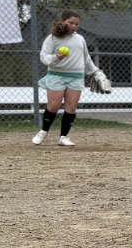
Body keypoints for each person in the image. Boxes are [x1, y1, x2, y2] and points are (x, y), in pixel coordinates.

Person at [33, 10, 94, 147]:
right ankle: (43, 131)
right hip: (56, 75)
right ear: (63, 21)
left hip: (76, 76)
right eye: (71, 23)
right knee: (53, 106)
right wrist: (56, 57)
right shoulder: (52, 38)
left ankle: (63, 137)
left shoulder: (80, 39)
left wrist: (94, 72)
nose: (74, 26)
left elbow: (86, 57)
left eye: (77, 24)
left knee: (71, 108)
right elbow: (44, 57)